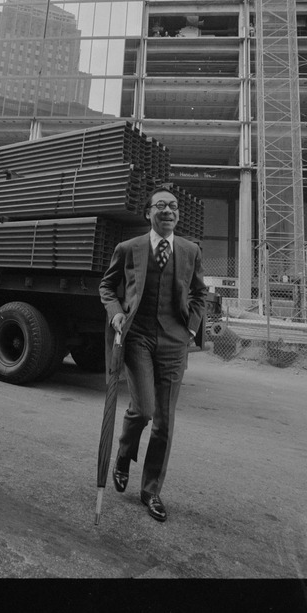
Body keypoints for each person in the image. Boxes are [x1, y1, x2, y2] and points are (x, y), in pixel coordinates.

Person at [98, 186, 208, 521]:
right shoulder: (128, 248)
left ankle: (151, 491)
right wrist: (116, 313)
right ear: (148, 213)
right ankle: (123, 455)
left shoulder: (190, 250)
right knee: (144, 410)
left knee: (165, 422)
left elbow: (200, 293)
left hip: (175, 340)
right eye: (160, 205)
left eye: (173, 206)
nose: (168, 211)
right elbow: (107, 286)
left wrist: (191, 329)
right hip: (138, 337)